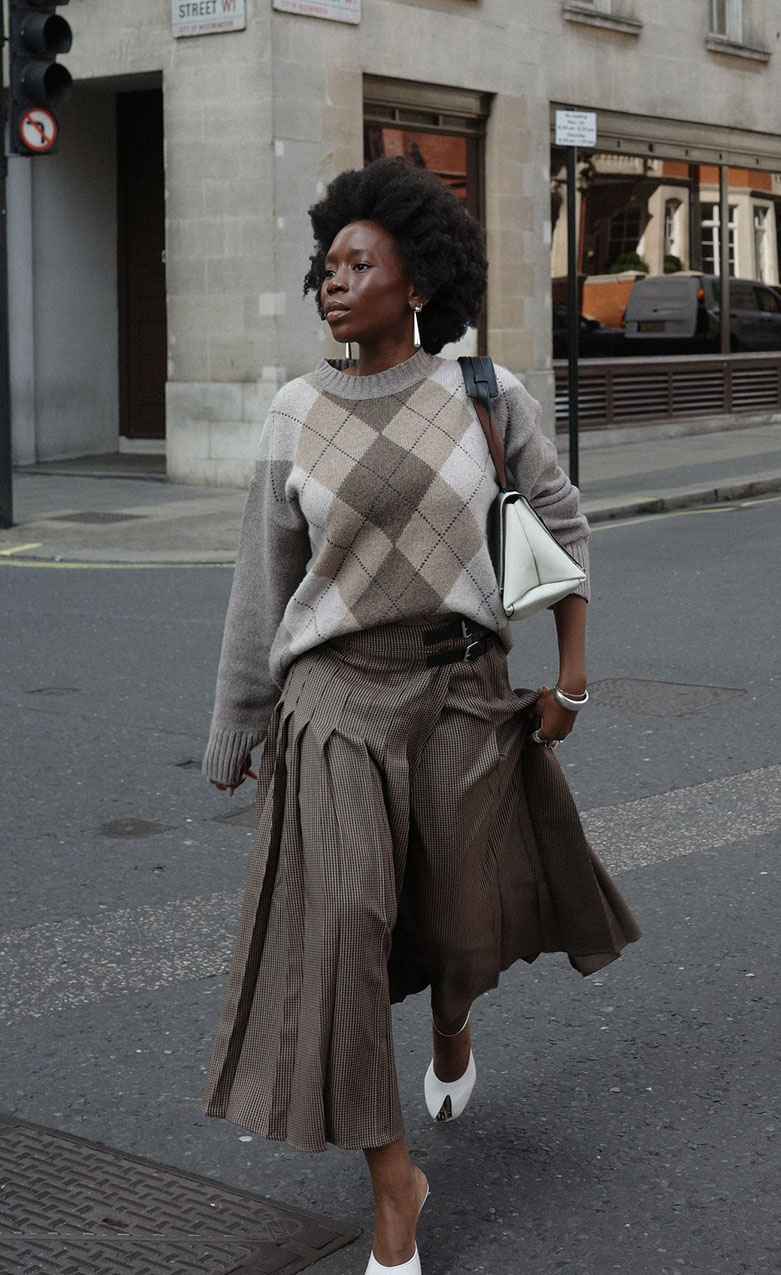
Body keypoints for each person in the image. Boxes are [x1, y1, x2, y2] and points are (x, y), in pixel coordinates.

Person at [201, 156, 640, 1275]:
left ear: (415, 279)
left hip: (460, 688)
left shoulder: (483, 396)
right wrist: (239, 723)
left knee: (456, 922)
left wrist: (571, 679)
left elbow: (558, 525)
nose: (333, 283)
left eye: (358, 262)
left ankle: (453, 1014)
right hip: (335, 698)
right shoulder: (296, 412)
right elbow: (265, 582)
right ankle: (395, 1183)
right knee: (344, 931)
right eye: (326, 265)